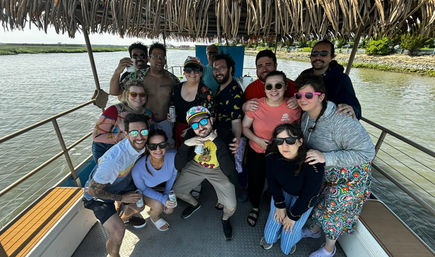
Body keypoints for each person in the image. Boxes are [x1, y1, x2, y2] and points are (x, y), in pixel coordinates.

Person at [295, 75, 375, 257]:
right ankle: (314, 230)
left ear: (321, 96)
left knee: (333, 210)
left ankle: (329, 249)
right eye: (298, 96)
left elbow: (367, 153)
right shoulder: (306, 116)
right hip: (326, 171)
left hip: (351, 176)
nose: (302, 100)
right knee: (318, 201)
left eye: (308, 95)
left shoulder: (341, 119)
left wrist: (325, 157)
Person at [83, 113, 149, 257]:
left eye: (144, 131)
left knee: (140, 206)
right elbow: (93, 191)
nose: (139, 137)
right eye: (133, 132)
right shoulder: (114, 160)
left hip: (119, 185)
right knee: (118, 232)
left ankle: (124, 218)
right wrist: (122, 197)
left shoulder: (142, 146)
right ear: (125, 134)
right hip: (97, 197)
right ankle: (114, 255)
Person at [242, 71, 300, 227]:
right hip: (258, 151)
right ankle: (255, 206)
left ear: (285, 86)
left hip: (283, 156)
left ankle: (276, 204)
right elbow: (245, 127)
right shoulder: (255, 104)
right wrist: (257, 140)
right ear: (265, 88)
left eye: (278, 85)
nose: (274, 90)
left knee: (280, 182)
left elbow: (299, 131)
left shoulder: (293, 107)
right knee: (255, 181)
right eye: (269, 86)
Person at [173, 106, 237, 241]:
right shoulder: (191, 134)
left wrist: (217, 141)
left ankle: (225, 220)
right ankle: (195, 204)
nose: (200, 127)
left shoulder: (225, 134)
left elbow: (229, 169)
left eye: (203, 121)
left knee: (231, 207)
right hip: (197, 165)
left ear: (212, 120)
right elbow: (178, 165)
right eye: (195, 125)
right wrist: (186, 144)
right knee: (177, 191)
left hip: (218, 169)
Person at [260, 123, 324, 254]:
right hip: (283, 193)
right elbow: (272, 182)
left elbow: (310, 195)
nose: (284, 146)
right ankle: (279, 231)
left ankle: (297, 232)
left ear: (300, 141)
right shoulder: (271, 156)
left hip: (303, 199)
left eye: (289, 140)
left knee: (286, 247)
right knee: (270, 237)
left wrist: (293, 216)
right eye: (279, 141)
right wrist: (280, 205)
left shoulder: (312, 162)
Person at [296, 39, 361, 119]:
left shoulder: (341, 79)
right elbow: (295, 94)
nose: (318, 57)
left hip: (327, 123)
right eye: (314, 54)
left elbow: (356, 110)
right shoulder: (305, 74)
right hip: (303, 119)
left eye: (324, 54)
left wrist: (352, 109)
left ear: (332, 57)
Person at [92, 80, 152, 162]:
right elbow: (96, 136)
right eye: (133, 94)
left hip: (131, 148)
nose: (138, 98)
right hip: (107, 148)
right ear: (127, 95)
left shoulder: (148, 114)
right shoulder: (114, 111)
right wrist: (126, 136)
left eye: (142, 95)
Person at [131, 129, 177, 231]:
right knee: (159, 205)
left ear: (167, 145)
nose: (158, 149)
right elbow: (142, 188)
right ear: (147, 147)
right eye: (153, 146)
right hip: (146, 191)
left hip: (163, 188)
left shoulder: (173, 156)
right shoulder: (137, 170)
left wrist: (166, 194)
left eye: (162, 145)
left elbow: (173, 175)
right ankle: (154, 217)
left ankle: (156, 207)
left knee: (169, 210)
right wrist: (163, 199)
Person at [170, 56, 214, 148]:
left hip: (199, 132)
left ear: (201, 73)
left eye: (196, 70)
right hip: (178, 131)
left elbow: (211, 117)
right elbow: (172, 107)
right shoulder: (176, 89)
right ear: (184, 73)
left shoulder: (206, 92)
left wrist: (191, 130)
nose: (192, 73)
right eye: (188, 70)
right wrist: (169, 116)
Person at [212, 53, 244, 150]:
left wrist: (237, 140)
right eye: (215, 69)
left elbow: (236, 121)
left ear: (230, 69)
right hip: (217, 136)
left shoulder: (235, 92)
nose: (217, 72)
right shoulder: (222, 86)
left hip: (227, 141)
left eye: (221, 68)